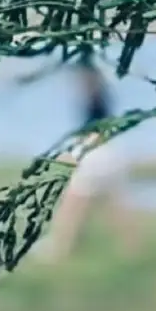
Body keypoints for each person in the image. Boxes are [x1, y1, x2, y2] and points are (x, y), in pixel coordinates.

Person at [43, 53, 132, 260]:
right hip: (111, 150)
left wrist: (77, 154)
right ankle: (131, 246)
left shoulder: (94, 94)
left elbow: (96, 129)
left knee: (73, 204)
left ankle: (60, 248)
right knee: (115, 203)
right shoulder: (102, 94)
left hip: (96, 152)